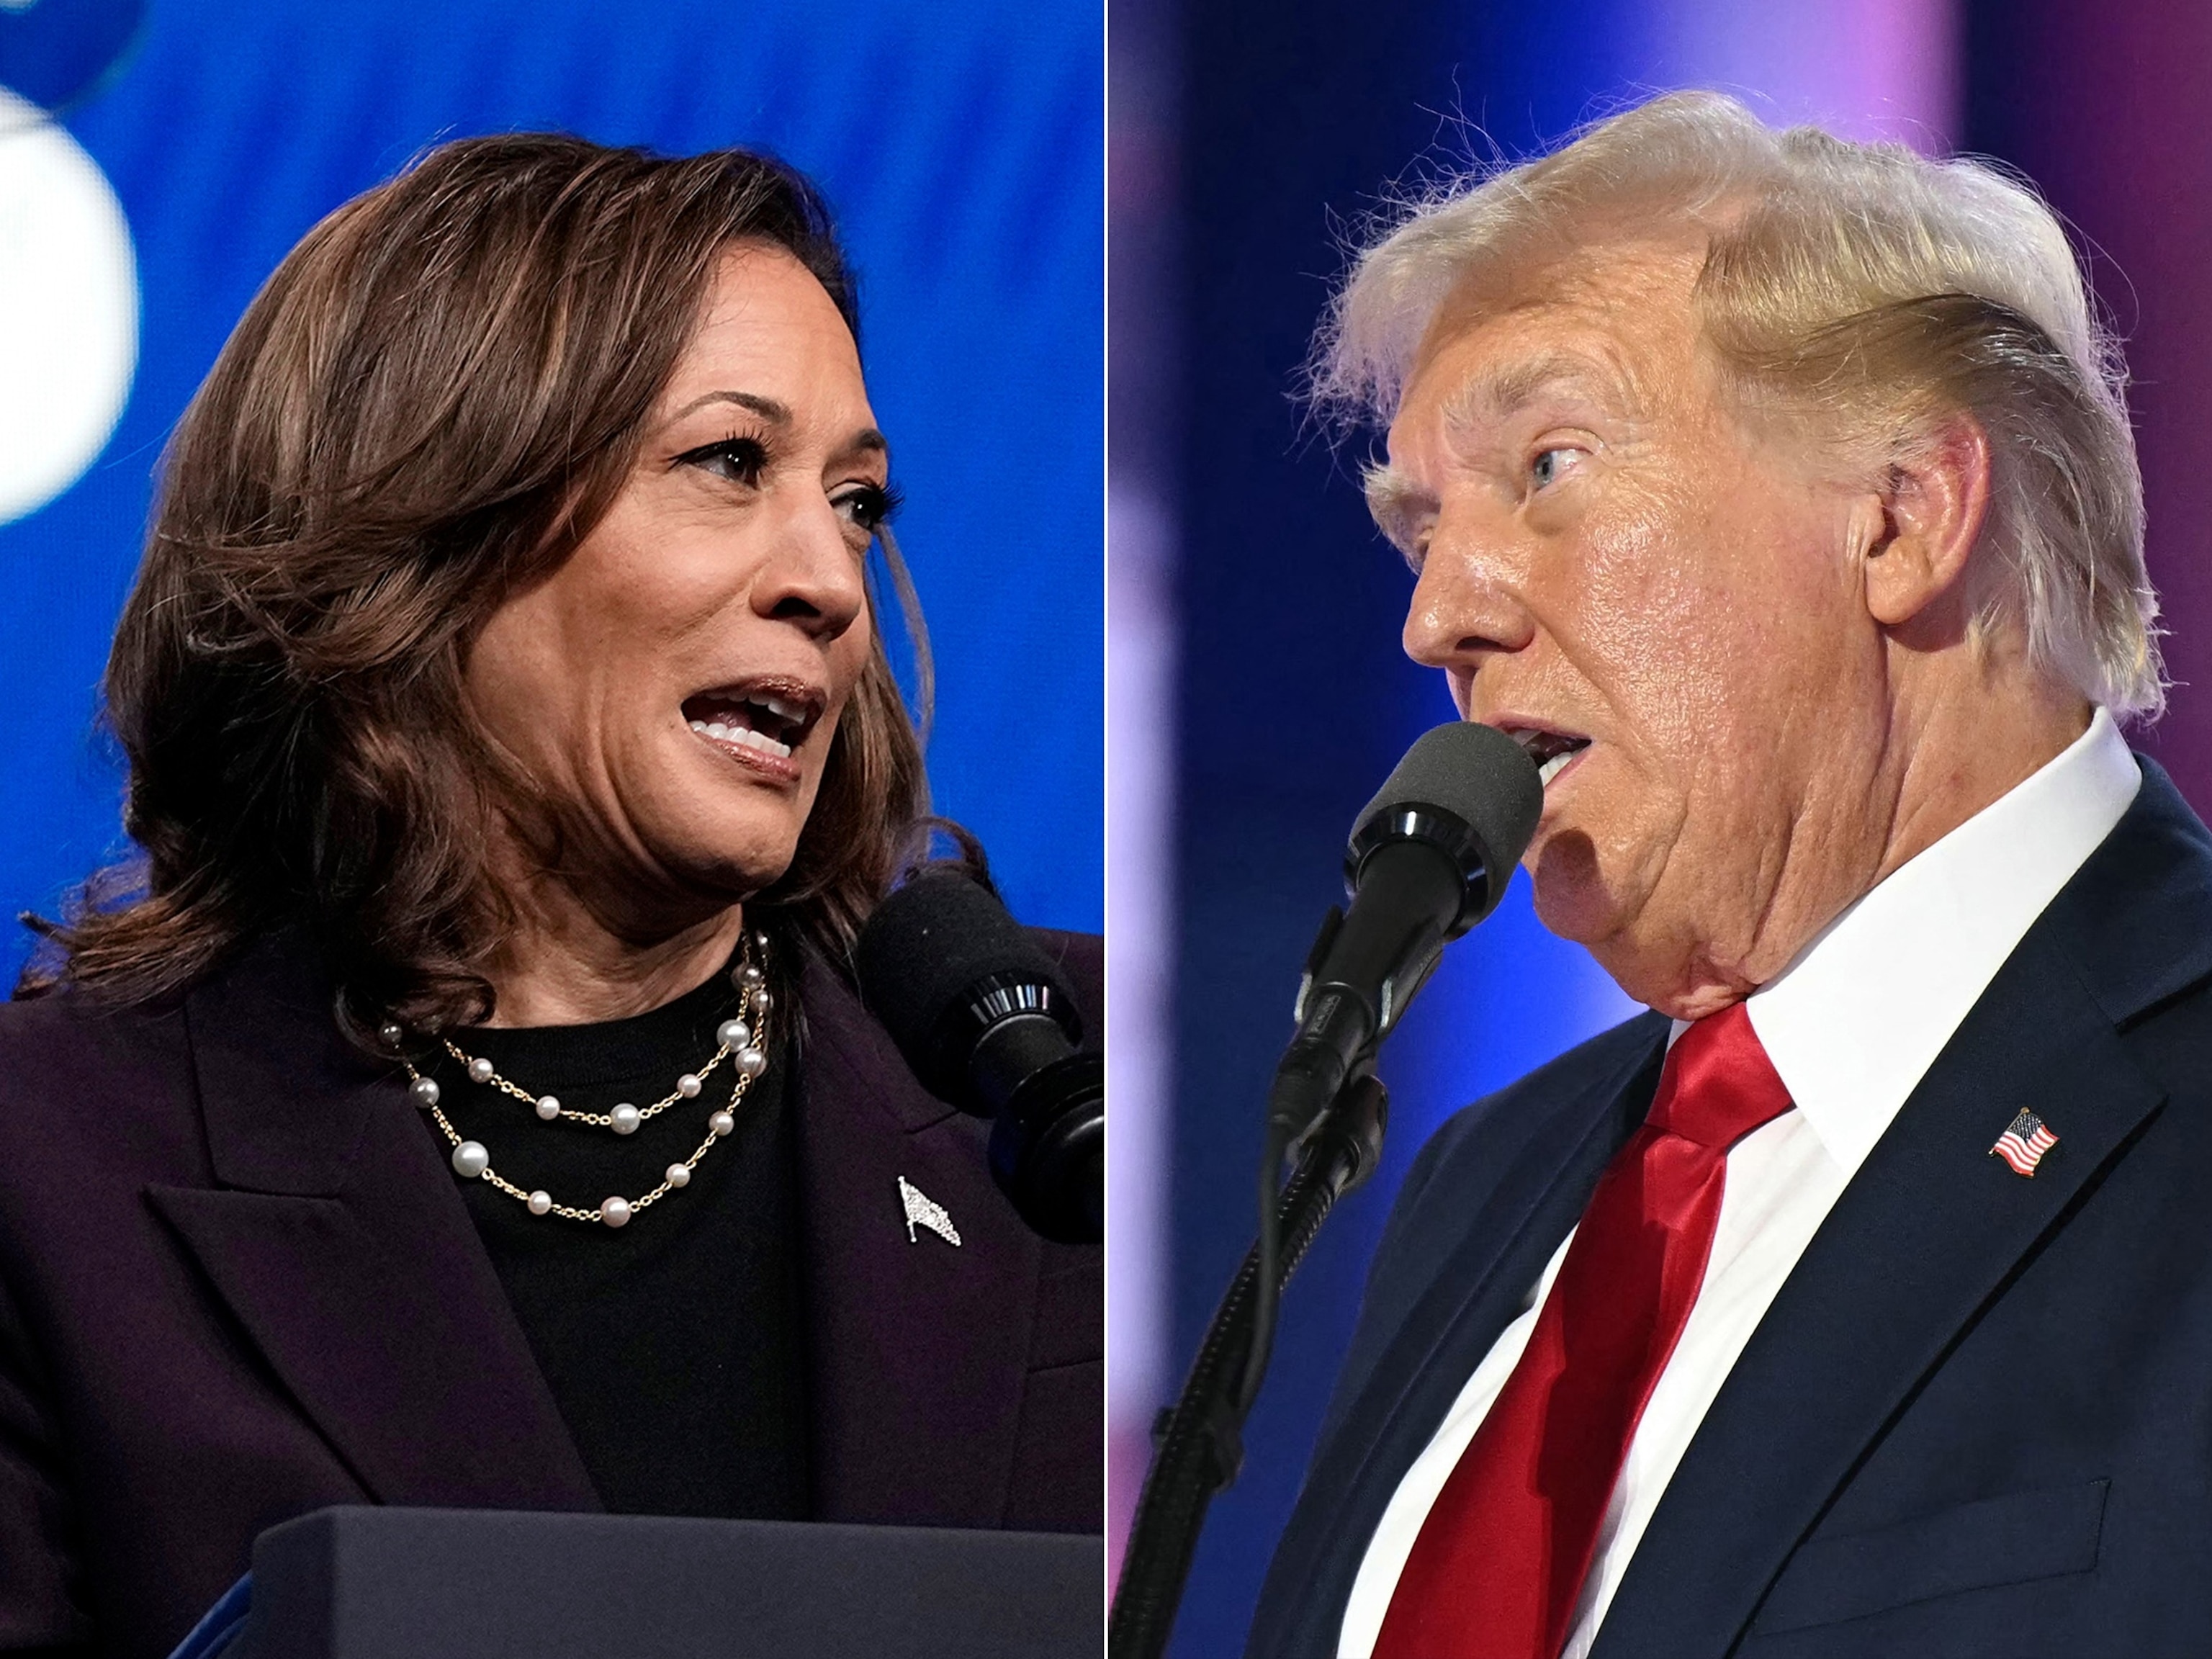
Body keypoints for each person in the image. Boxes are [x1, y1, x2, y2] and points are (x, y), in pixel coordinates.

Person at [0, 135, 1099, 1659]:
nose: (832, 583)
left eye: (856, 501)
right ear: (432, 521)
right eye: (731, 464)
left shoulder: (1068, 1099)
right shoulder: (49, 1167)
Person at [1246, 91, 2211, 1658]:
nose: (1439, 618)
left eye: (1548, 466)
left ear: (1902, 515)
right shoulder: (1483, 1184)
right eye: (1422, 529)